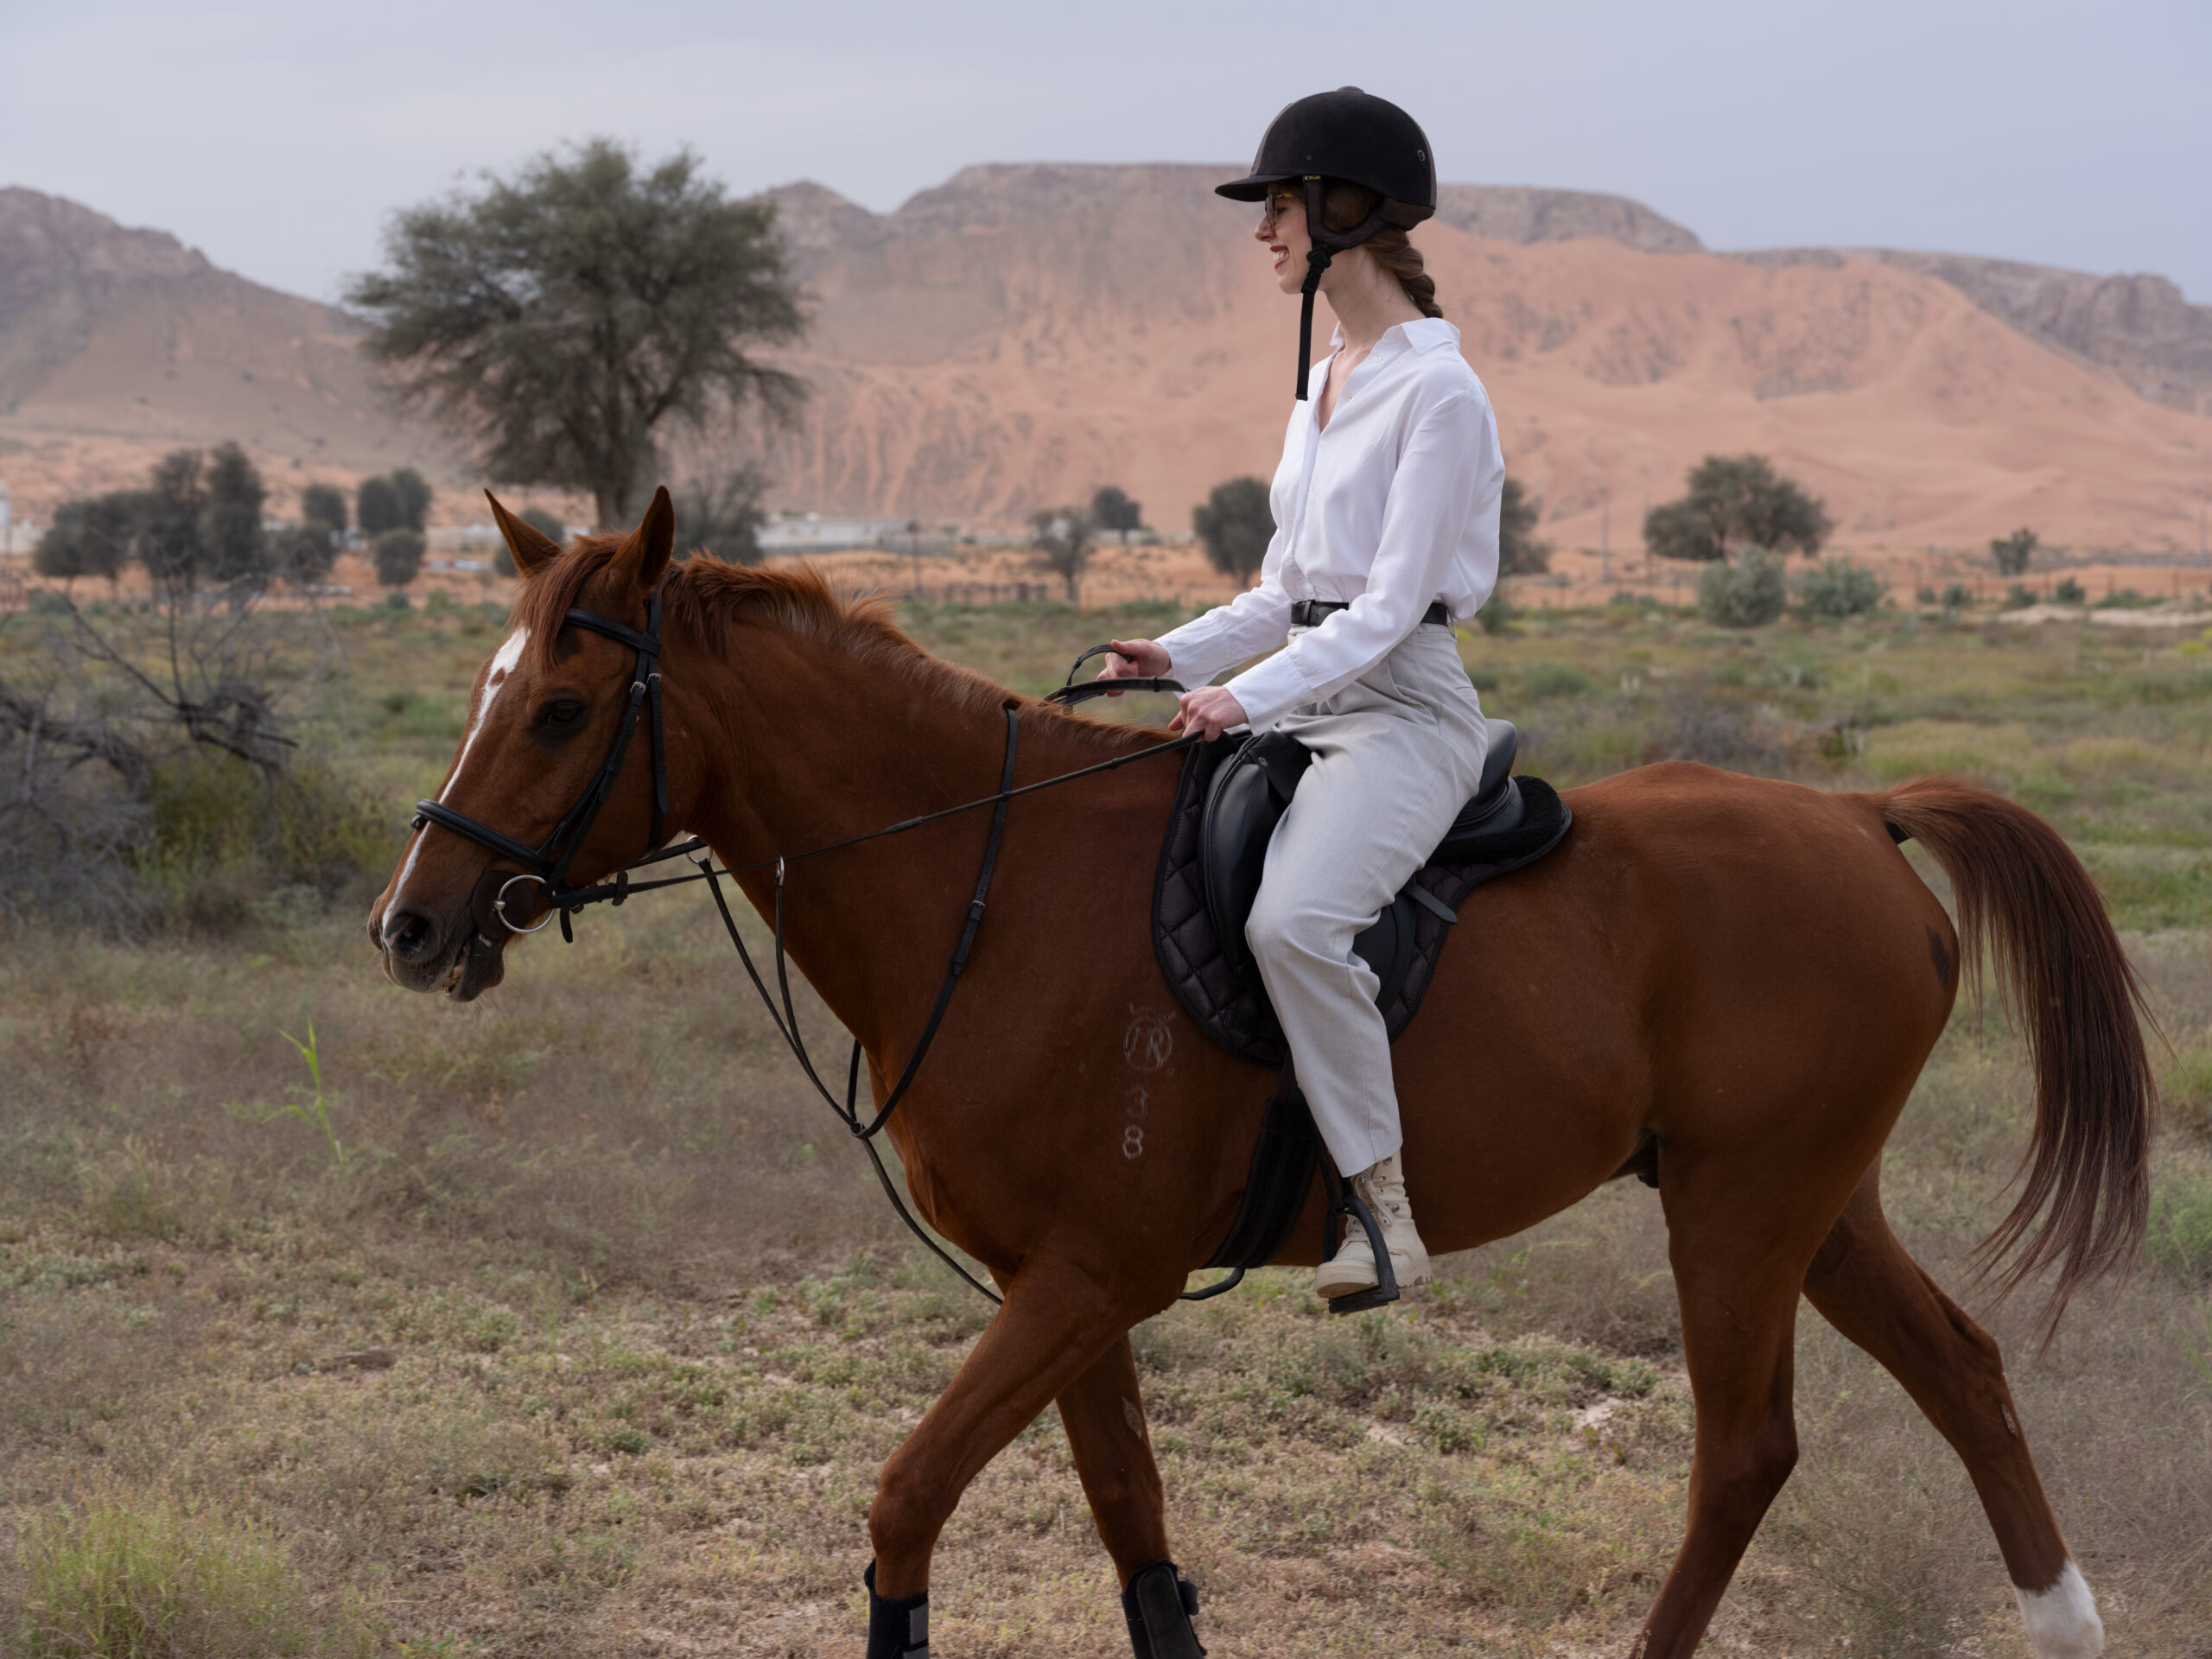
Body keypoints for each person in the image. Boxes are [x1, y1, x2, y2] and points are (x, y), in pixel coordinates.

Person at [1097, 88, 1504, 1303]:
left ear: (1346, 214)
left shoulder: (1441, 392)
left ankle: (1384, 1216)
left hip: (1404, 707)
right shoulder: (1326, 377)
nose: (1263, 231)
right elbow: (1287, 591)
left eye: (1278, 206)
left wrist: (1240, 699)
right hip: (1306, 691)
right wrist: (1174, 656)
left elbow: (1384, 613)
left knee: (1294, 924)